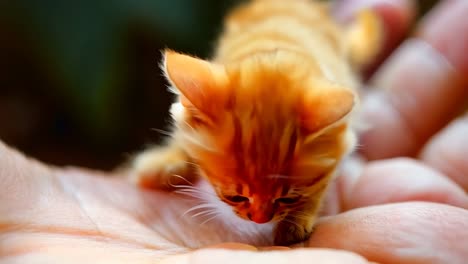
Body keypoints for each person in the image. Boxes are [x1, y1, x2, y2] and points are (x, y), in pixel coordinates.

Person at [1, 0, 467, 263]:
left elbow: (339, 136)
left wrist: (307, 204)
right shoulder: (210, 104)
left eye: (281, 197)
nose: (259, 219)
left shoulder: (321, 113)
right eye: (238, 197)